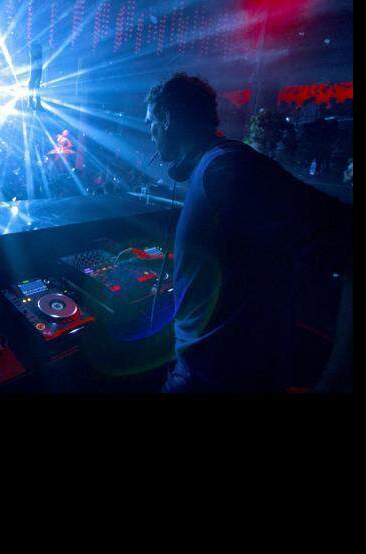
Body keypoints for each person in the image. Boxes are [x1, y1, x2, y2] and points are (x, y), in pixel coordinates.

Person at [145, 72, 353, 393]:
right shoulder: (213, 168)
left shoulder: (228, 170)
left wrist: (334, 381)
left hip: (216, 376)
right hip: (205, 367)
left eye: (151, 124)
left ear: (168, 119)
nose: (151, 135)